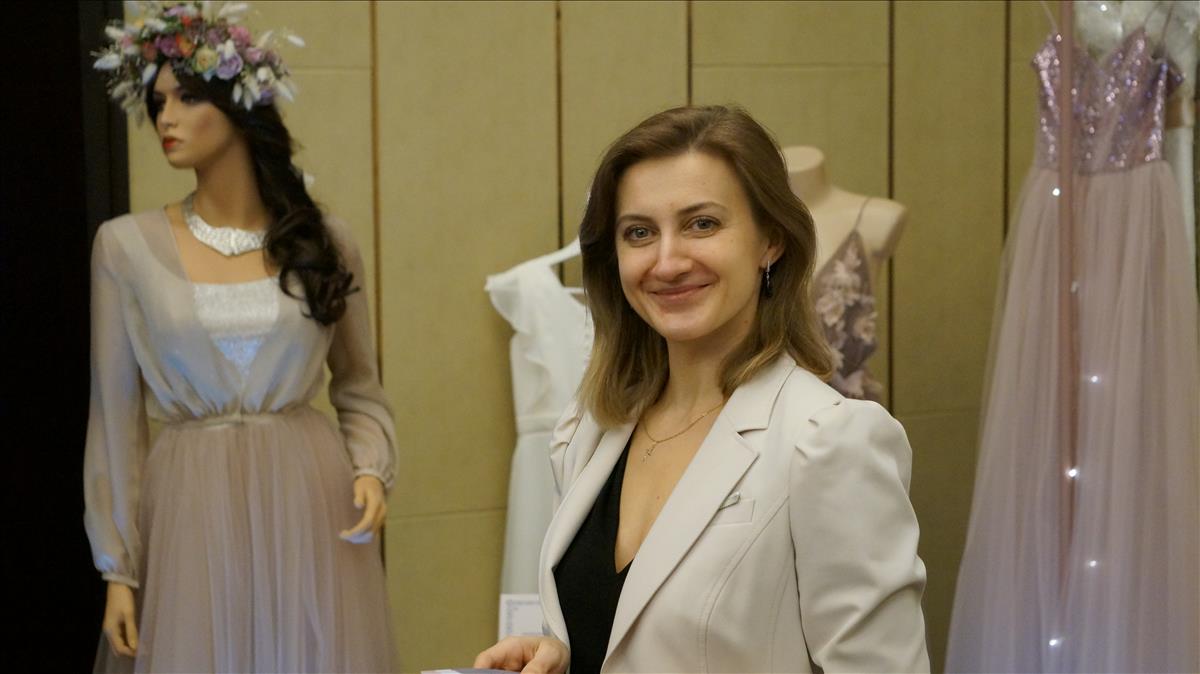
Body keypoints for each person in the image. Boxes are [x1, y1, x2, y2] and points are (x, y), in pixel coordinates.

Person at [474, 105, 929, 674]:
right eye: (640, 232)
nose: (667, 262)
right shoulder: (591, 432)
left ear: (770, 241)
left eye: (702, 224)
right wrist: (562, 656)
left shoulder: (829, 440)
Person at [86, 2, 395, 671]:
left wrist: (370, 468)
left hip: (310, 497)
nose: (165, 118)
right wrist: (119, 567)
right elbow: (114, 419)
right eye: (156, 102)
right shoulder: (124, 247)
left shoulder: (324, 241)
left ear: (240, 104)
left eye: (187, 98)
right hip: (190, 506)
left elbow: (360, 387)